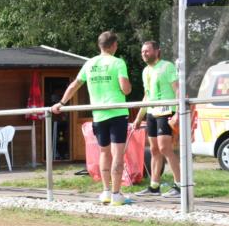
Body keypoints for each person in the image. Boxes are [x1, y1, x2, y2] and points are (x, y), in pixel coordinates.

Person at [52, 30, 132, 205]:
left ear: (99, 46)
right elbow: (125, 89)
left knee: (104, 153)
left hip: (99, 114)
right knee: (117, 154)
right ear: (114, 46)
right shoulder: (118, 62)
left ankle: (105, 192)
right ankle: (116, 194)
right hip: (117, 113)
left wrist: (61, 103)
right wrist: (127, 86)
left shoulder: (90, 64)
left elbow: (75, 84)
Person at [132, 40, 182, 198]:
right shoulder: (145, 71)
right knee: (154, 150)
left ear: (156, 51)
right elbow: (147, 96)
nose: (144, 54)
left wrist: (178, 113)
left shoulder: (167, 66)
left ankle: (180, 185)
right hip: (152, 113)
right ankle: (154, 186)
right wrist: (139, 118)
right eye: (142, 52)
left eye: (147, 51)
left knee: (165, 149)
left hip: (166, 111)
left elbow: (178, 90)